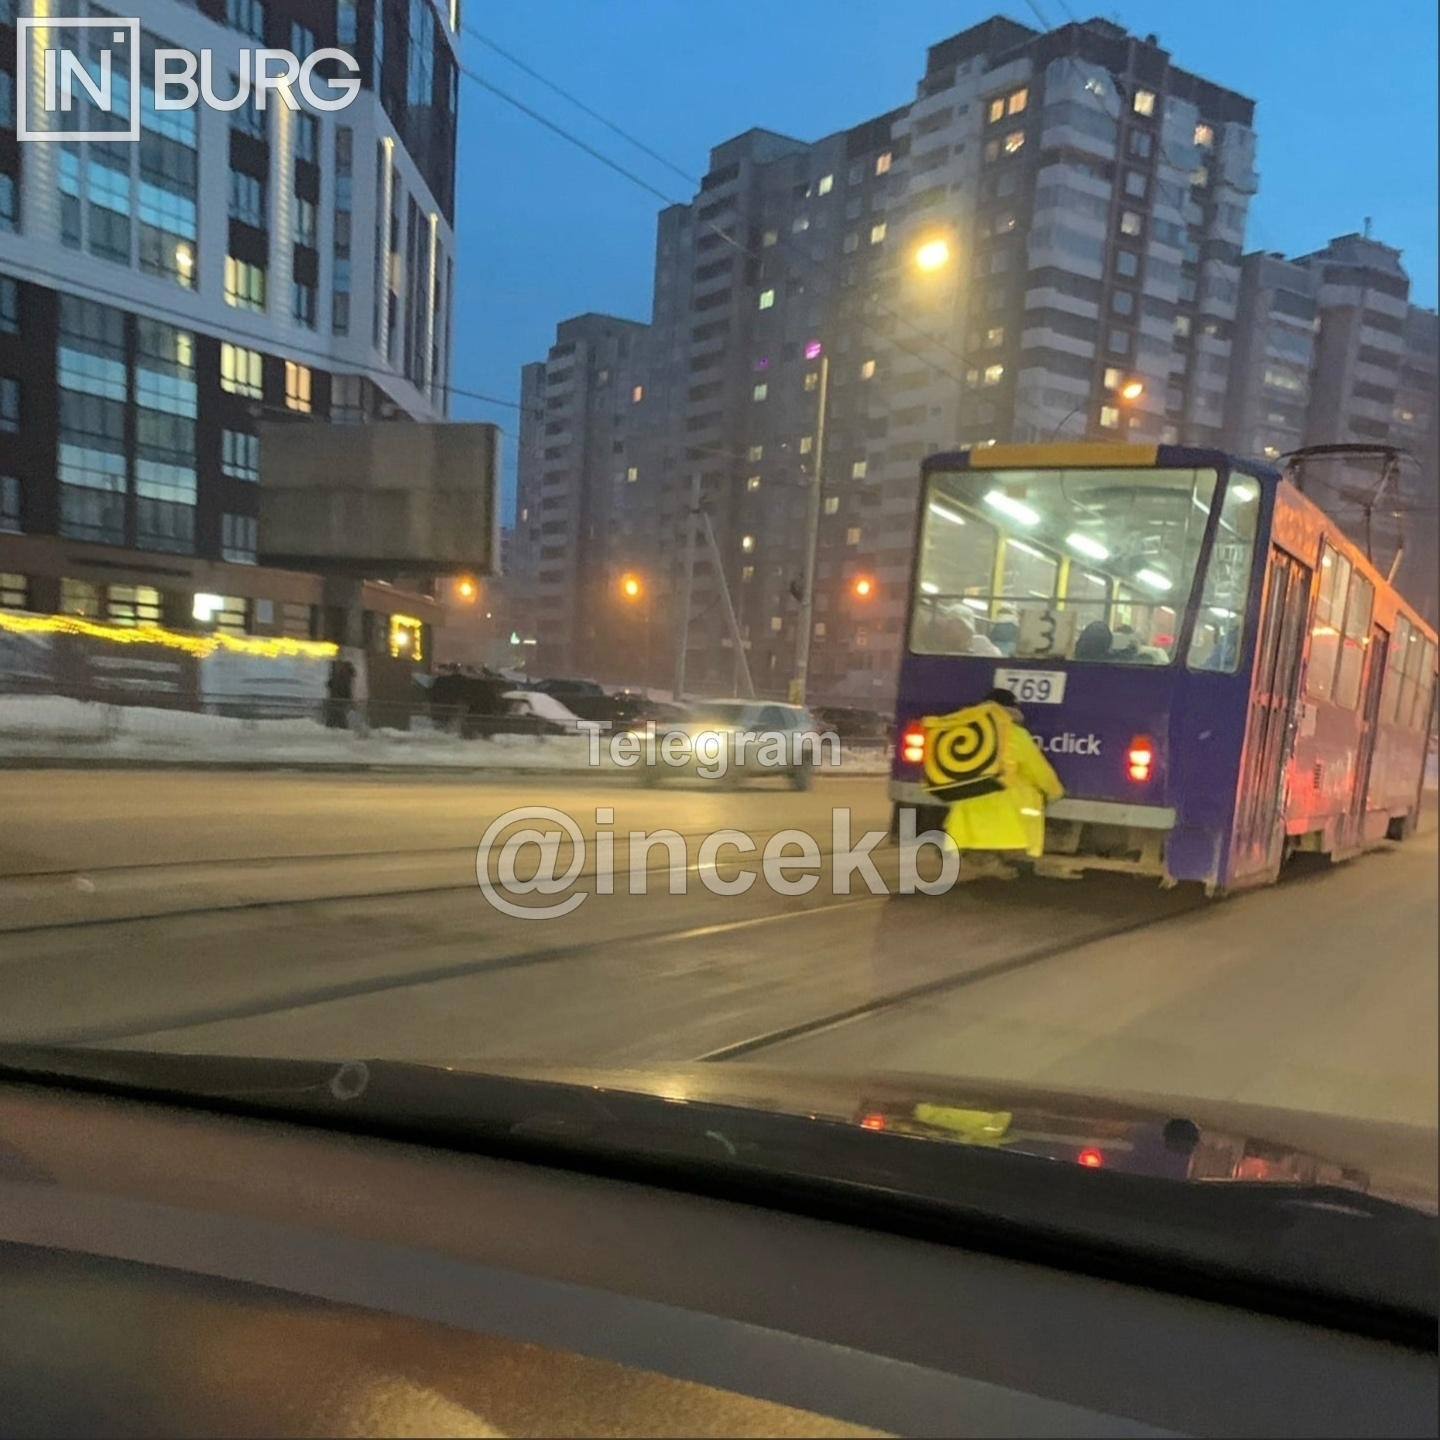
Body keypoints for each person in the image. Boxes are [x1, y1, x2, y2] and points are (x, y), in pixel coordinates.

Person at [918, 687, 1064, 880]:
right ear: (1012, 709)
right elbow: (1038, 771)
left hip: (964, 810)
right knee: (1027, 795)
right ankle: (1007, 855)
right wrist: (1054, 792)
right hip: (1007, 814)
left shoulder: (964, 729)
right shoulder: (1015, 734)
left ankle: (977, 854)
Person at [324, 656, 356, 730]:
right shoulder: (345, 677)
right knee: (340, 714)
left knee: (335, 714)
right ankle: (342, 728)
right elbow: (346, 689)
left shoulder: (339, 675)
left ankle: (332, 727)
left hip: (335, 698)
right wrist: (350, 700)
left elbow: (330, 684)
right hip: (340, 699)